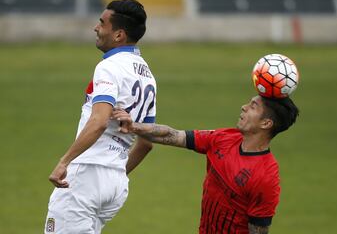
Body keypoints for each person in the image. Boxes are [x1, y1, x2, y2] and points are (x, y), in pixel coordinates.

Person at [44, 0, 157, 233]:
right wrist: (114, 173)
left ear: (119, 35)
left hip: (86, 174)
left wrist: (64, 162)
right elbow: (146, 143)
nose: (96, 28)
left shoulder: (109, 67)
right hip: (116, 182)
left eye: (102, 23)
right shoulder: (148, 76)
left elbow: (99, 121)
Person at [113, 95, 299, 234]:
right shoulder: (224, 138)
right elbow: (173, 135)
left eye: (253, 107)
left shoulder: (266, 176)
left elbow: (258, 230)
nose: (243, 107)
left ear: (266, 123)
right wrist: (134, 126)